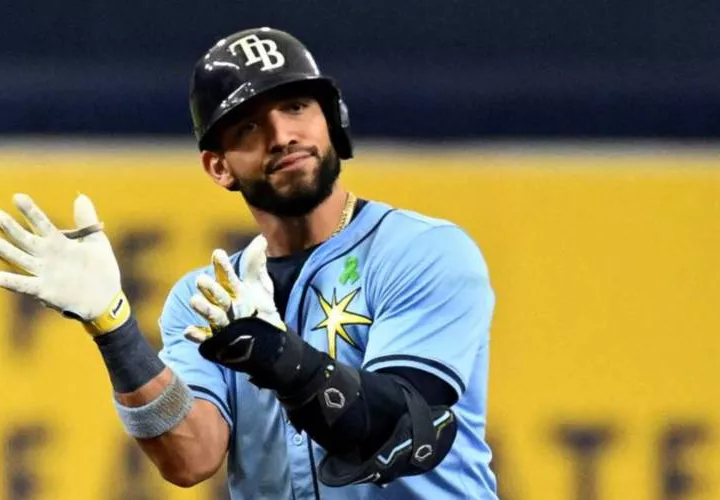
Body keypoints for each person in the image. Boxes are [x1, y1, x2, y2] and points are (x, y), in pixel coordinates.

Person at [0, 27, 498, 499]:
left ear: (332, 120)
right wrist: (114, 325)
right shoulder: (206, 297)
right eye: (249, 126)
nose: (281, 135)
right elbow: (191, 459)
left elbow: (398, 428)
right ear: (219, 166)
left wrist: (276, 356)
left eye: (297, 107)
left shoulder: (422, 252)